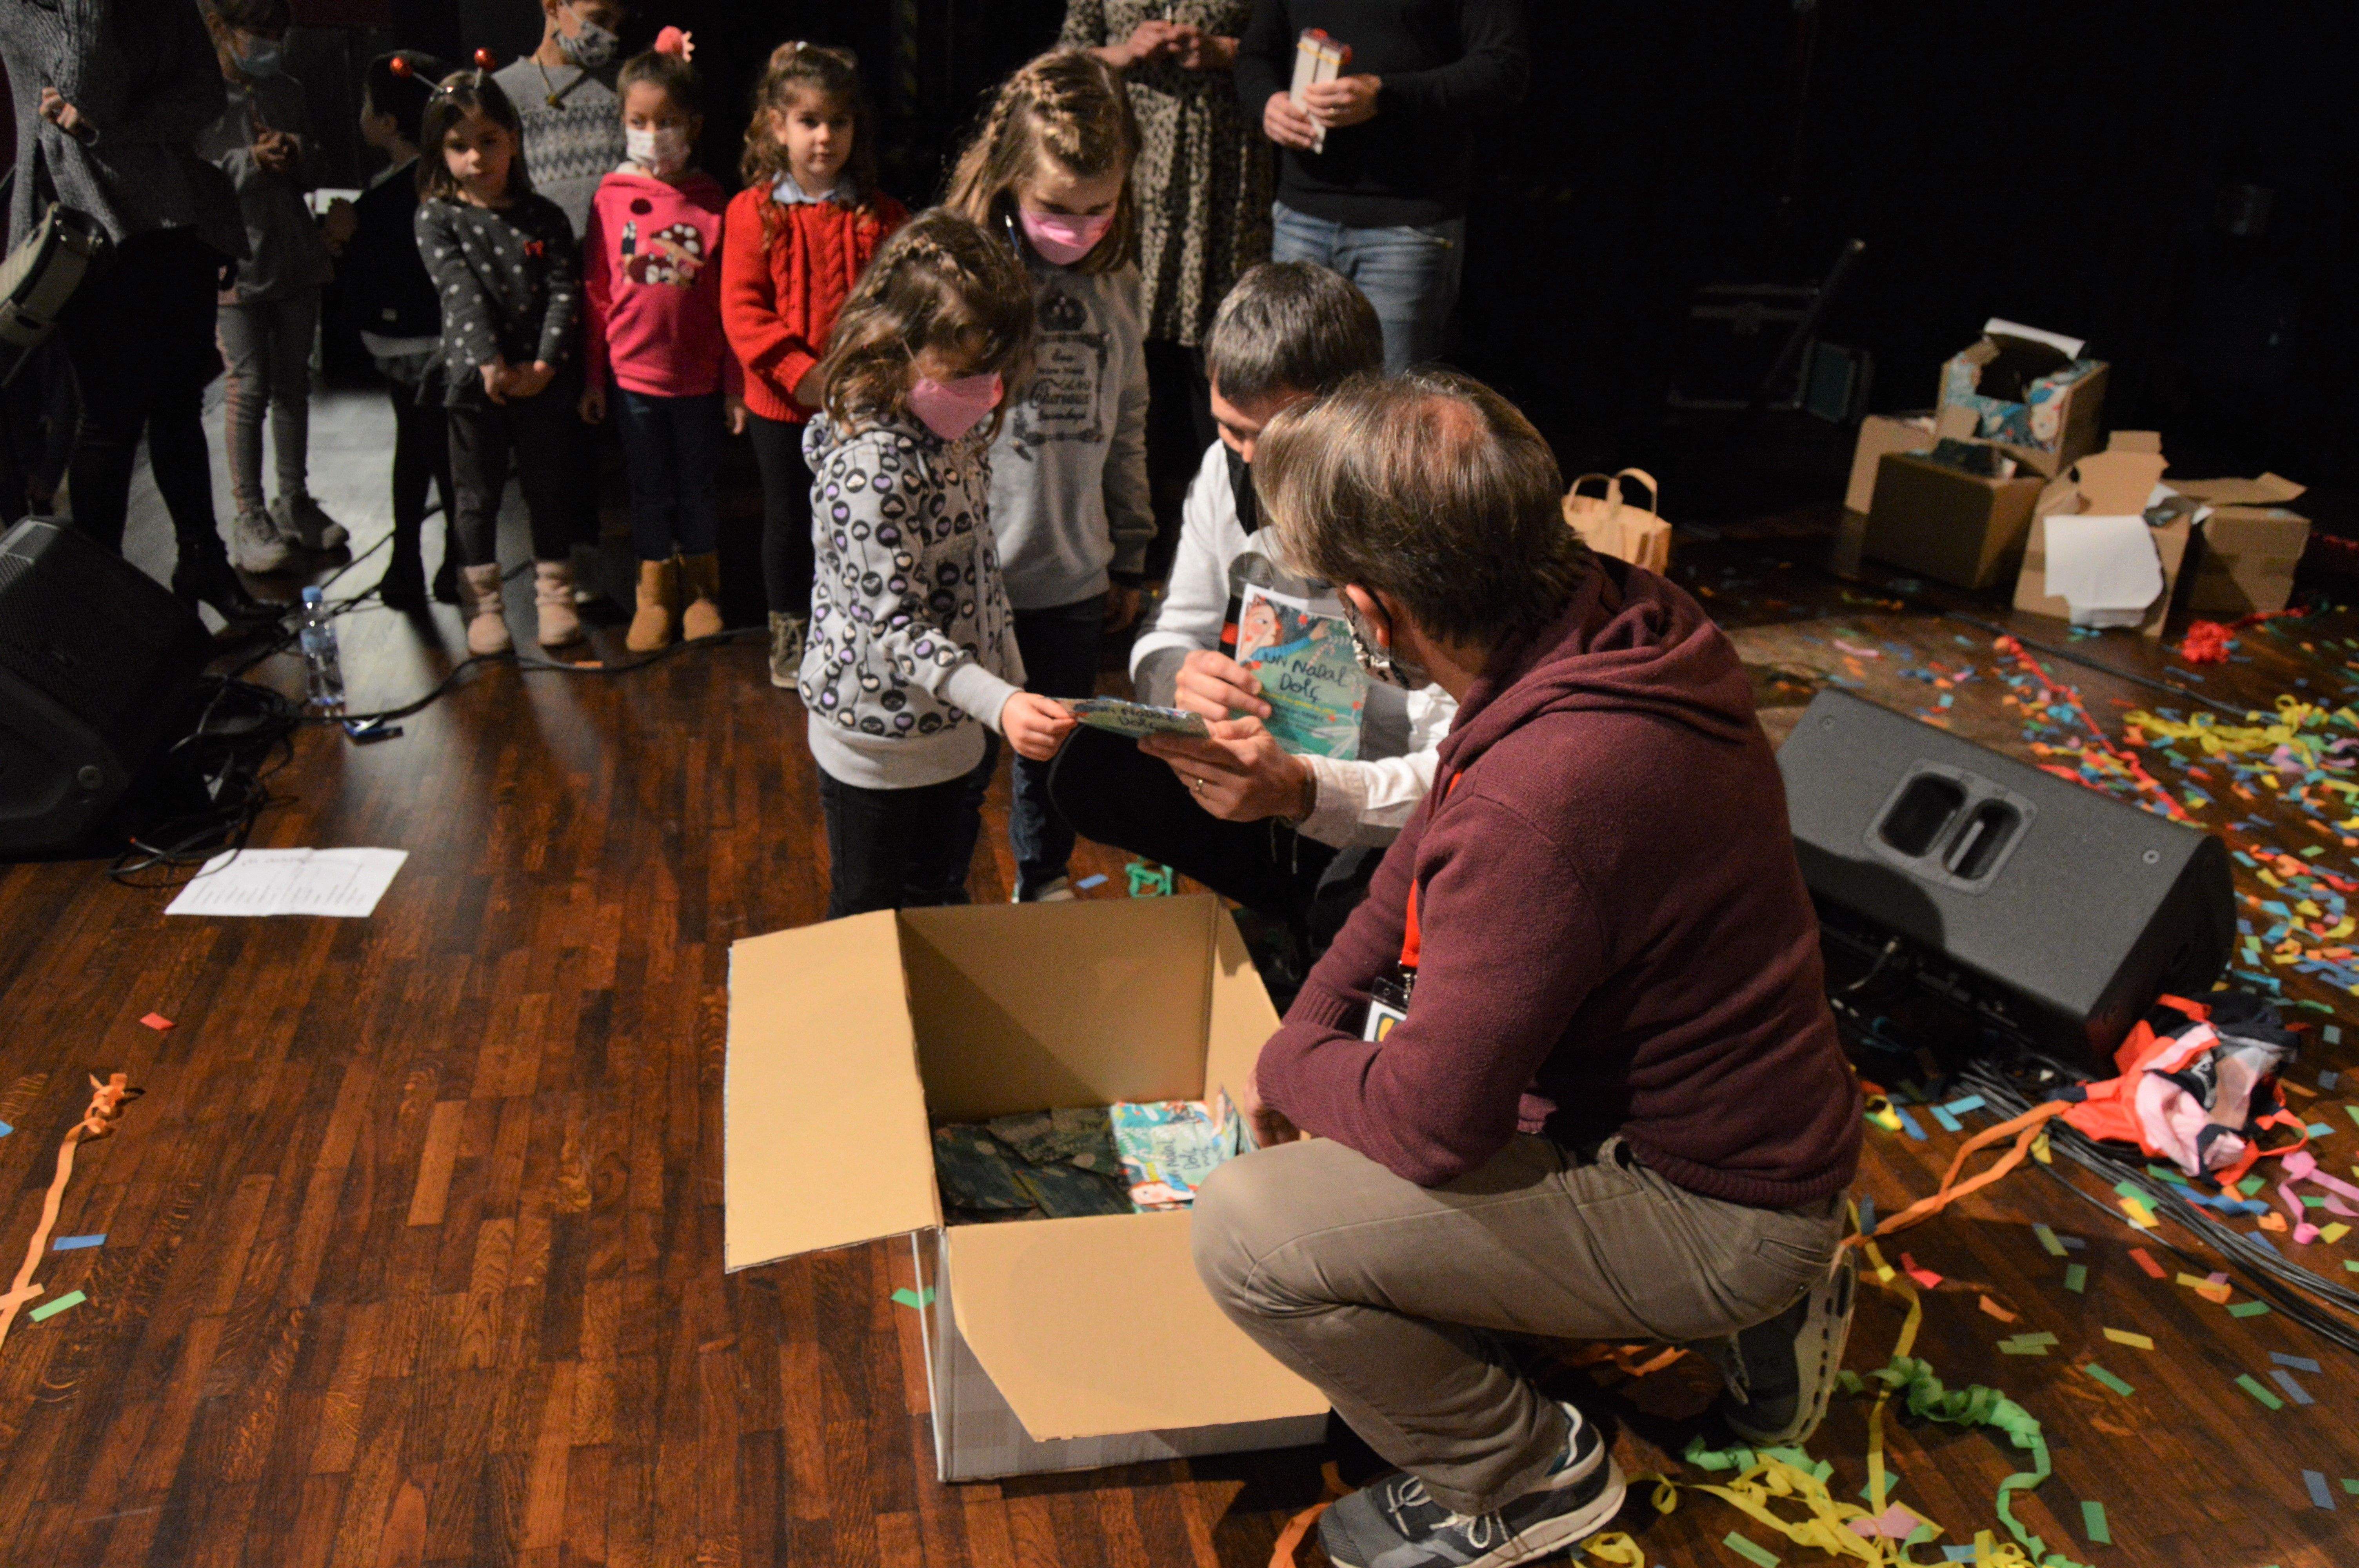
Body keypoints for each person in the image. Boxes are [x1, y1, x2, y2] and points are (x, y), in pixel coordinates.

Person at [1188, 371, 1863, 1568]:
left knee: (1247, 1234)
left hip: (1712, 1203)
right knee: (1347, 1113)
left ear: (1372, 610)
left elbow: (1433, 1125)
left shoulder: (1544, 797)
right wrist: (1307, 1029)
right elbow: (1435, 828)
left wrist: (1294, 1071)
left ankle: (1522, 1475)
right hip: (1753, 1135)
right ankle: (1754, 1302)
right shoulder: (1610, 618)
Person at [1049, 260, 1442, 955]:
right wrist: (1178, 677)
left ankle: (1323, 925)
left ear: (1357, 410)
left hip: (1388, 803)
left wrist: (1312, 793)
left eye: (1283, 436)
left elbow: (1459, 767)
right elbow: (1172, 628)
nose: (1257, 462)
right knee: (1089, 767)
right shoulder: (1221, 470)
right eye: (1234, 431)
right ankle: (1295, 914)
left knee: (1348, 904)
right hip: (1269, 763)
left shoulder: (1426, 511)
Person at [796, 207, 1074, 918]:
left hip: (953, 730)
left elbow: (977, 574)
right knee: (868, 916)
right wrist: (1000, 699)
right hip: (875, 747)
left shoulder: (950, 435)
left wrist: (1006, 686)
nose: (986, 387)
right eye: (966, 369)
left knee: (940, 900)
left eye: (994, 368)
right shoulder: (868, 469)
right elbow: (895, 626)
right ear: (896, 344)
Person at [945, 50, 1153, 904]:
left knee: (1056, 752)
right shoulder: (963, 279)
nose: (1077, 227)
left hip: (1071, 576)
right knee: (961, 765)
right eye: (1055, 209)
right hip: (974, 578)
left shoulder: (1119, 282)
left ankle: (1041, 879)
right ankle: (945, 897)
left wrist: (1131, 551)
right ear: (1008, 180)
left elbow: (1129, 419)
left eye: (1098, 208)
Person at [2, 0, 275, 625]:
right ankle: (101, 605)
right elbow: (86, 85)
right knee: (111, 419)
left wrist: (111, 130)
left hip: (177, 218)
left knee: (179, 403)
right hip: (88, 224)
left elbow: (203, 97)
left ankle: (204, 564)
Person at [1059, 2, 1270, 577]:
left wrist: (1228, 52)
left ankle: (1230, 557)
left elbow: (1295, 50)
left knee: (1223, 364)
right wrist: (1125, 52)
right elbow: (1062, 61)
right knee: (1130, 363)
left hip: (1223, 180)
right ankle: (1127, 558)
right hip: (1133, 170)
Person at [720, 41, 906, 687]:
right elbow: (743, 311)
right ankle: (790, 633)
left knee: (862, 517)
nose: (825, 137)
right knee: (791, 519)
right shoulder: (752, 212)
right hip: (782, 405)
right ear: (778, 126)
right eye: (809, 121)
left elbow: (898, 306)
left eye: (839, 122)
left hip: (862, 403)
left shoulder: (881, 215)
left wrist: (865, 377)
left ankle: (857, 628)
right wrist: (804, 376)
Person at [1233, 0, 1528, 374]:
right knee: (1295, 393)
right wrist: (1268, 101)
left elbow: (1503, 68)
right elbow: (1255, 54)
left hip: (1407, 226)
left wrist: (1385, 94)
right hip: (1301, 216)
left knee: (1392, 397)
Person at [579, 28, 741, 652]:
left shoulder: (713, 202)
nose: (653, 133)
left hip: (698, 381)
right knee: (648, 491)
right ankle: (653, 596)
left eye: (667, 121)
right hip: (633, 381)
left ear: (693, 124)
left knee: (697, 489)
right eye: (639, 121)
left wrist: (734, 386)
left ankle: (702, 592)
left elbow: (730, 304)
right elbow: (597, 292)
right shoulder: (610, 198)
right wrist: (594, 377)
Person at [414, 67, 585, 654]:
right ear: (440, 152)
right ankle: (484, 607)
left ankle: (556, 596)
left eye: (488, 141)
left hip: (540, 379)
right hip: (474, 381)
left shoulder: (545, 217)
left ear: (513, 138)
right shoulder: (438, 217)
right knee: (475, 496)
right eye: (459, 146)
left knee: (549, 487)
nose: (476, 158)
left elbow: (564, 290)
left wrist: (544, 366)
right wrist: (489, 362)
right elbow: (458, 291)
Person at [194, 0, 346, 574]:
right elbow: (193, 182)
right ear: (220, 27)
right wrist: (250, 162)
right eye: (259, 31)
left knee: (293, 385)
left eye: (279, 33)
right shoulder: (198, 97)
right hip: (235, 263)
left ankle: (294, 500)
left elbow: (319, 164)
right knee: (248, 386)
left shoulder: (287, 89)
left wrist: (298, 153)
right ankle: (249, 514)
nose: (271, 44)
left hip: (295, 256)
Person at [346, 49, 460, 612]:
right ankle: (441, 558)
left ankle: (420, 559)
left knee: (421, 448)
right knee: (436, 447)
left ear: (389, 122)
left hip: (415, 343)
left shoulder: (385, 200)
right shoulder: (442, 184)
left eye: (368, 105)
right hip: (440, 339)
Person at [491, 0, 629, 239]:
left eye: (616, 24)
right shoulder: (503, 91)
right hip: (550, 253)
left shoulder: (627, 83)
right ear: (554, 6)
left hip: (624, 251)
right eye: (599, 20)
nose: (610, 35)